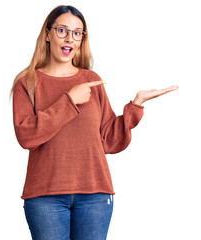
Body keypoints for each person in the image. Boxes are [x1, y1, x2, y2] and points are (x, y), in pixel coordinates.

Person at [10, 5, 178, 240]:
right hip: (44, 197)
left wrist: (135, 106)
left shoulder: (91, 80)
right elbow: (26, 136)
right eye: (62, 30)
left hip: (94, 195)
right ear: (47, 34)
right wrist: (69, 101)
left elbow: (108, 139)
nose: (70, 38)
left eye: (77, 33)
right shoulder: (27, 82)